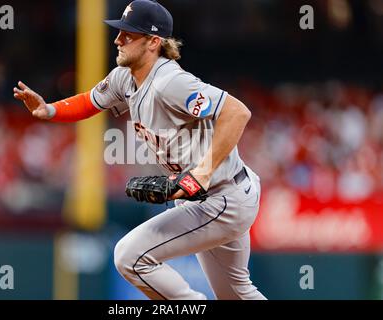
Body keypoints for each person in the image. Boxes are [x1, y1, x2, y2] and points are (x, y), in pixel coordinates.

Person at [14, 0, 266, 300]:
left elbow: (237, 113)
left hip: (221, 198)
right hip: (213, 196)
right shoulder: (125, 77)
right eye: (120, 31)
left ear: (154, 42)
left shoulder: (170, 82)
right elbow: (91, 101)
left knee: (129, 256)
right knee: (237, 295)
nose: (118, 39)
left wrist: (202, 173)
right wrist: (49, 110)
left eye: (129, 34)